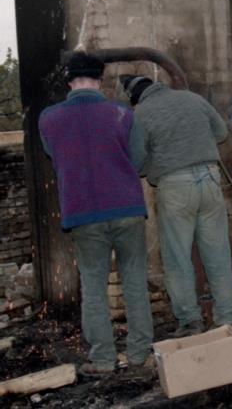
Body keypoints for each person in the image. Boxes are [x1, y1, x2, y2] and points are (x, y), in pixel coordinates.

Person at [38, 52, 153, 377]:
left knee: (93, 287)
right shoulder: (122, 113)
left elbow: (52, 153)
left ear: (68, 82)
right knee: (135, 281)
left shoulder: (48, 118)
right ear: (100, 80)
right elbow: (138, 158)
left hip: (83, 213)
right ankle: (139, 354)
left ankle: (103, 359)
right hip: (127, 208)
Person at [120, 73, 232, 338]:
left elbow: (136, 161)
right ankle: (226, 318)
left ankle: (190, 320)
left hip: (175, 187)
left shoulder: (141, 114)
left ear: (134, 98)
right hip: (210, 178)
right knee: (218, 253)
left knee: (177, 258)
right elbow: (221, 132)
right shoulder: (193, 98)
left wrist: (154, 166)